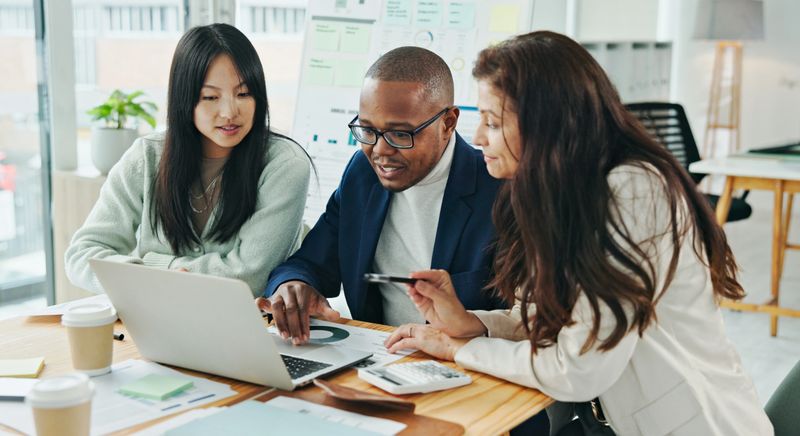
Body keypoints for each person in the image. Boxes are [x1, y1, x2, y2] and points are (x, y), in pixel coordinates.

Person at [384, 31, 773, 435]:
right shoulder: (562, 189)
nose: (478, 137)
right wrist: (471, 325)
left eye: (493, 122)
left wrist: (461, 349)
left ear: (545, 123)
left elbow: (577, 369)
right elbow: (552, 321)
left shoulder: (631, 193)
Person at [258, 46, 505, 343]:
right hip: (380, 353)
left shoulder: (499, 189)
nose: (380, 151)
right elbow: (308, 262)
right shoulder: (362, 174)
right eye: (367, 130)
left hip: (465, 361)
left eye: (400, 134)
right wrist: (292, 285)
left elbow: (522, 321)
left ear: (448, 123)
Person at [66, 23, 310, 297]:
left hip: (247, 321)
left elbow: (249, 277)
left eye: (243, 93)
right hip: (155, 317)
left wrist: (156, 267)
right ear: (184, 98)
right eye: (211, 97)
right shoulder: (147, 157)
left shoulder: (285, 166)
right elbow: (83, 253)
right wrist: (157, 276)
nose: (229, 112)